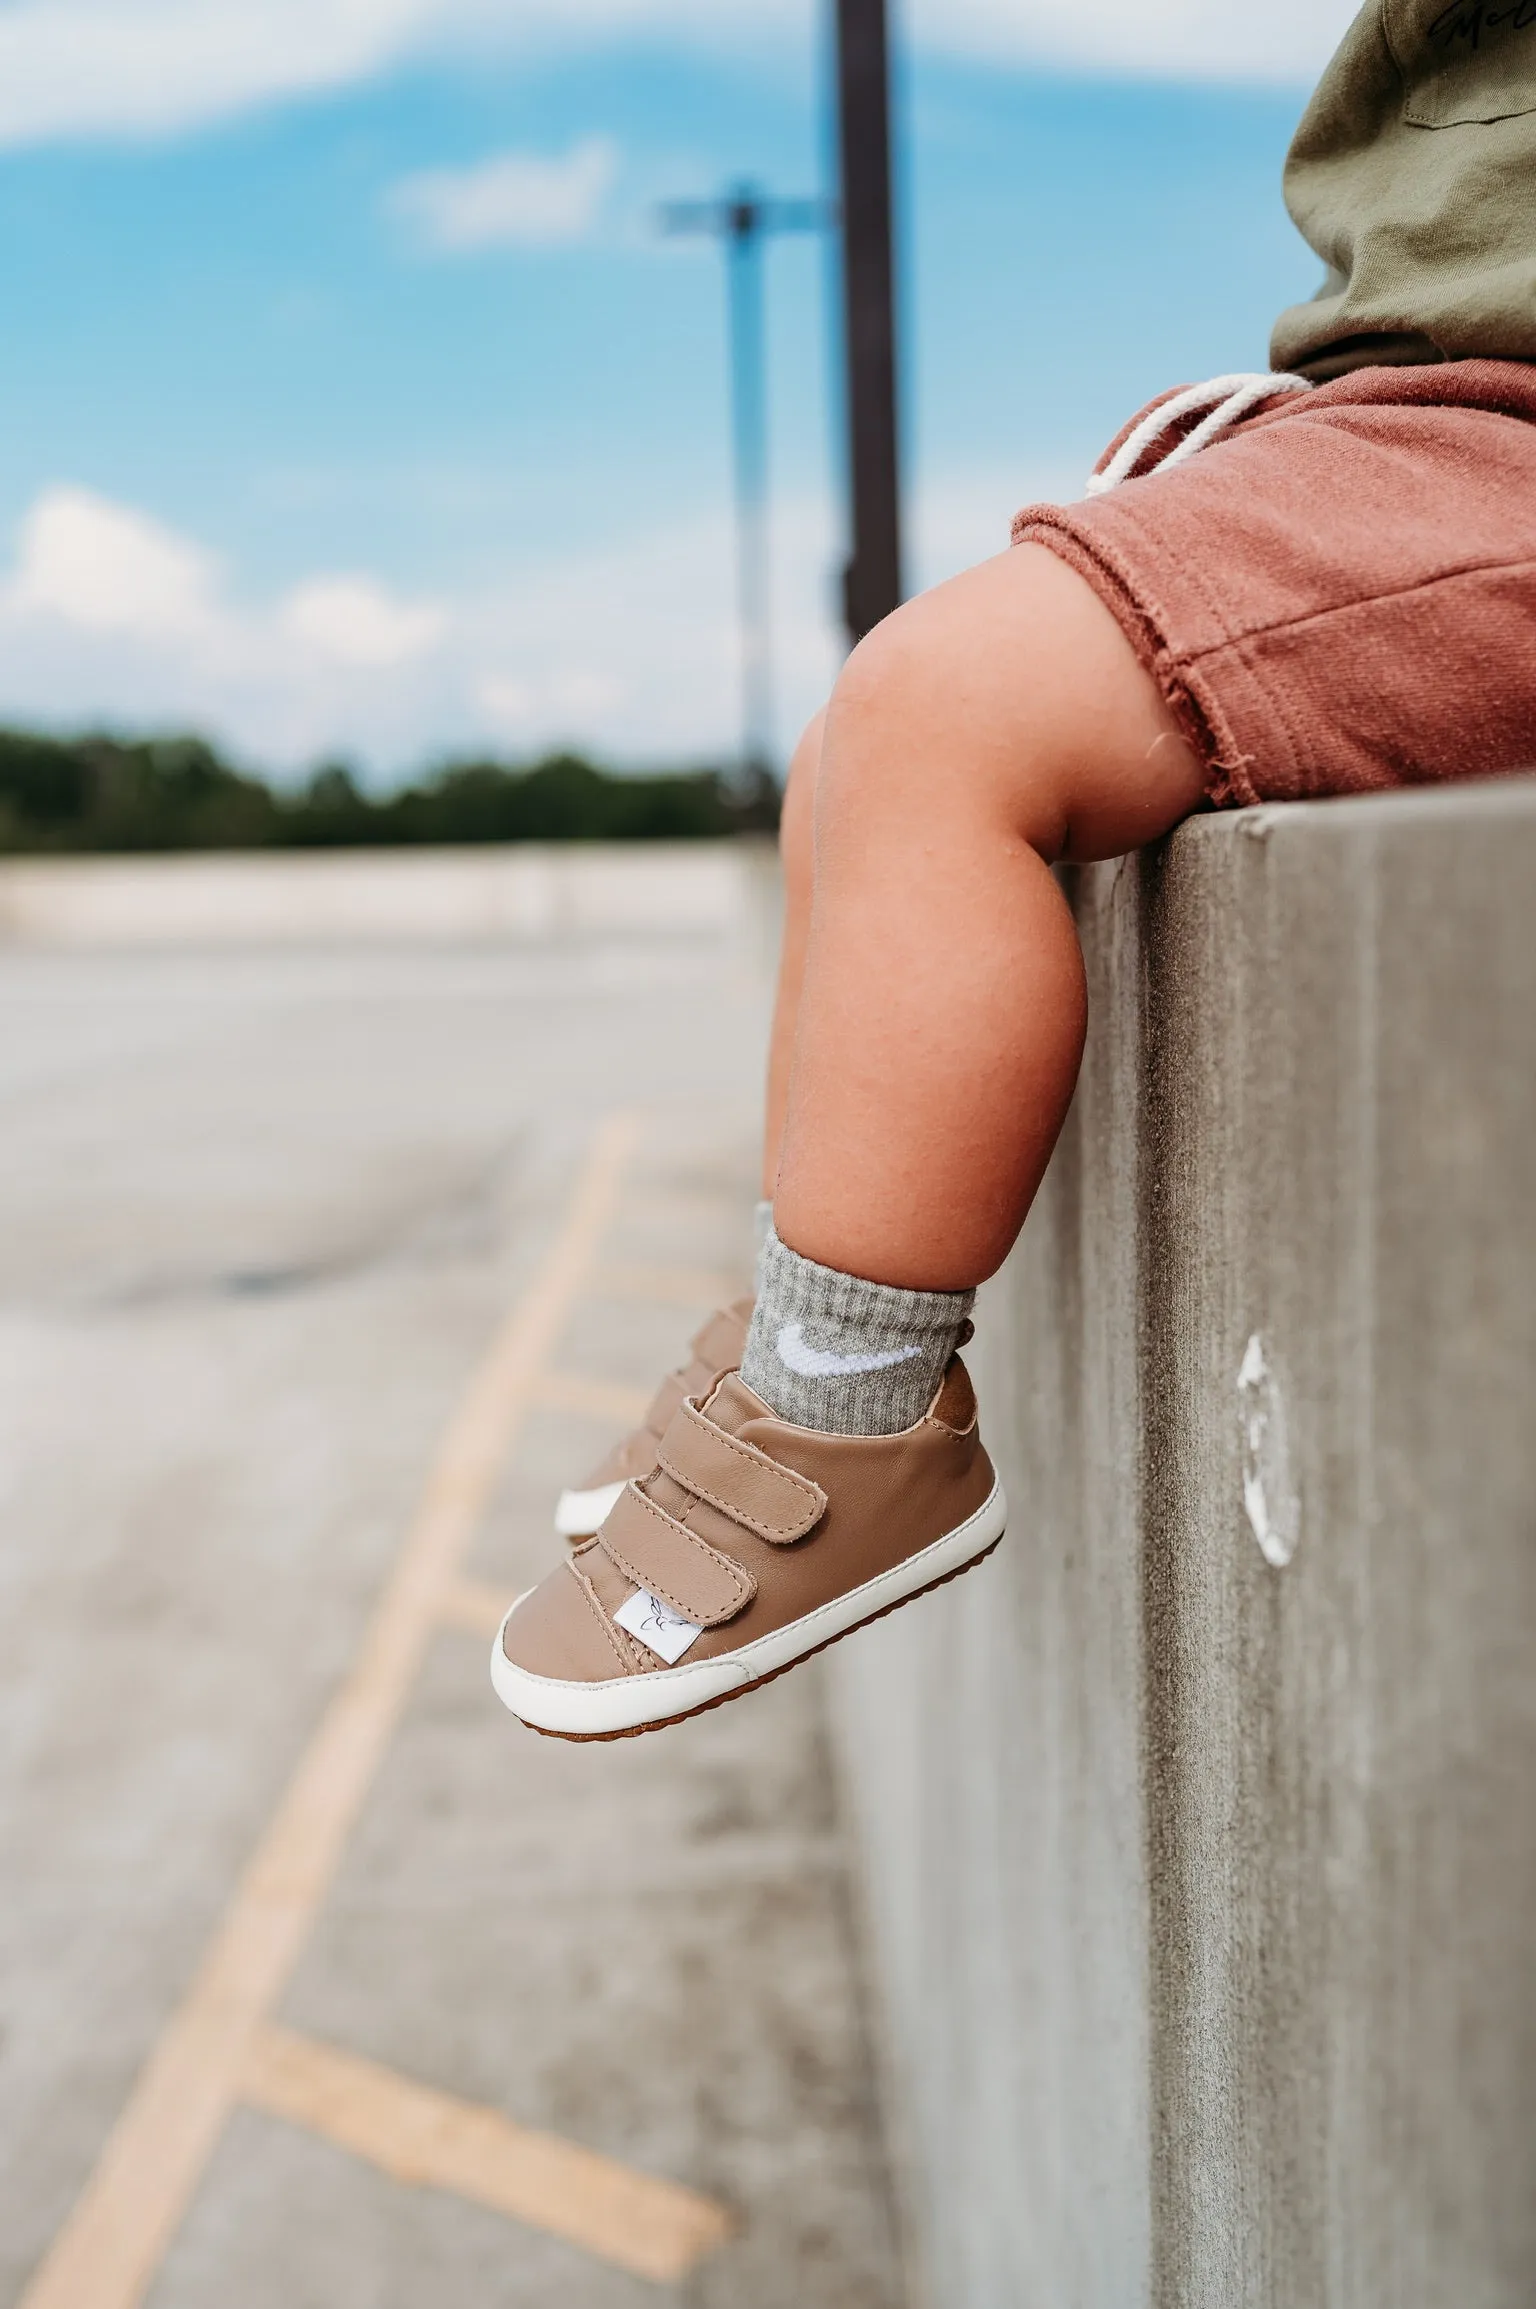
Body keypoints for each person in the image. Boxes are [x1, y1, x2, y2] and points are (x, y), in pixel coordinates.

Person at [494, 0, 1536, 1739]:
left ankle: (846, 1409)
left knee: (940, 714)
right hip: (1426, 401)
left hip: (1499, 434)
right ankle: (800, 1323)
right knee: (861, 743)